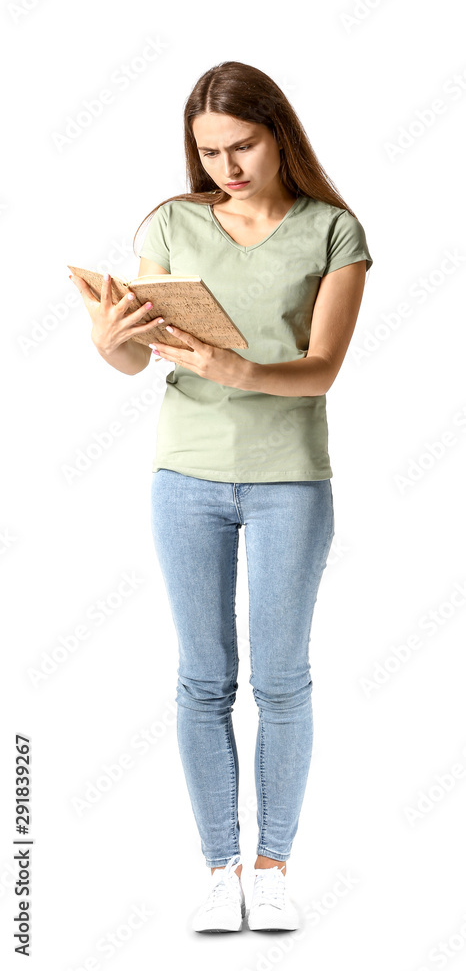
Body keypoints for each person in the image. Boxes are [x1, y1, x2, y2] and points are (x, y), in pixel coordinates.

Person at [70, 60, 373, 934]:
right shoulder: (171, 222)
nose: (227, 167)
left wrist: (240, 368)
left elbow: (322, 370)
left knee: (281, 682)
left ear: (278, 131)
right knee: (203, 680)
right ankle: (219, 866)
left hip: (288, 481)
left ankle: (273, 867)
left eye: (242, 145)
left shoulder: (333, 233)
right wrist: (109, 340)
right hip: (187, 476)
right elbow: (139, 360)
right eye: (209, 153)